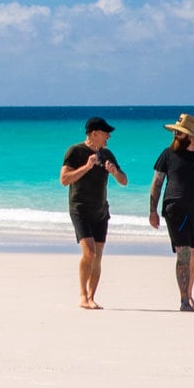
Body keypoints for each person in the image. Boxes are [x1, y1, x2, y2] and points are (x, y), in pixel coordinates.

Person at [146, 113, 194, 312]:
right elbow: (157, 183)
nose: (175, 135)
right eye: (174, 132)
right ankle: (183, 301)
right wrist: (152, 211)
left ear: (190, 136)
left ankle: (189, 295)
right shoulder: (168, 154)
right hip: (175, 211)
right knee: (183, 254)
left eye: (178, 133)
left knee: (193, 255)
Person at [58, 116, 128, 309]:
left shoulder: (107, 154)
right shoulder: (75, 151)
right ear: (94, 133)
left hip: (101, 211)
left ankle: (91, 297)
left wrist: (114, 172)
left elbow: (124, 181)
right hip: (80, 209)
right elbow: (64, 179)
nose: (109, 137)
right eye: (106, 133)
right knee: (89, 253)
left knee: (97, 256)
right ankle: (82, 296)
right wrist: (87, 167)